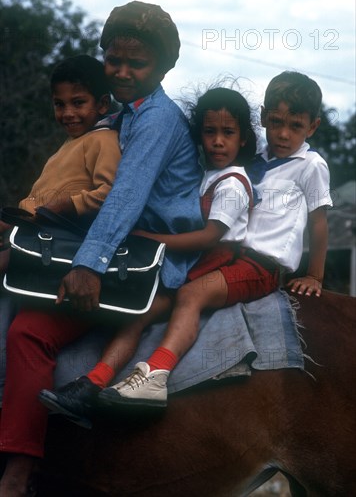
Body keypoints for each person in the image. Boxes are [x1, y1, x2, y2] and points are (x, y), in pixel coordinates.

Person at [0, 0, 203, 497]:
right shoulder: (124, 114)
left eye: (137, 64)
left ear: (166, 67)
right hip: (121, 242)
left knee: (30, 330)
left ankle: (19, 470)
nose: (123, 72)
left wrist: (88, 265)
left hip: (141, 258)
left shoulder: (156, 120)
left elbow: (126, 197)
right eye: (114, 61)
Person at [94, 70, 333, 408]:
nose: (283, 133)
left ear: (312, 127)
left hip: (261, 263)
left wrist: (314, 275)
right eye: (276, 122)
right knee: (154, 299)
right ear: (263, 117)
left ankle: (157, 374)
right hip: (230, 256)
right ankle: (96, 378)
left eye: (295, 126)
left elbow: (318, 223)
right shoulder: (258, 158)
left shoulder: (311, 165)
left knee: (192, 294)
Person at [39, 86, 280, 415]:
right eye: (210, 132)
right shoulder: (207, 176)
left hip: (209, 262)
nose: (218, 142)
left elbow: (209, 237)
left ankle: (156, 374)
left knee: (187, 300)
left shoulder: (232, 183)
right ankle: (92, 383)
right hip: (190, 263)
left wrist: (150, 240)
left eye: (228, 133)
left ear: (243, 139)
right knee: (137, 316)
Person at [0, 53, 123, 496]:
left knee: (27, 335)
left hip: (73, 264)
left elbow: (112, 195)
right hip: (39, 247)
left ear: (103, 104)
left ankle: (19, 466)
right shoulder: (64, 149)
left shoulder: (104, 141)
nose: (68, 113)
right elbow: (35, 202)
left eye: (79, 103)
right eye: (60, 104)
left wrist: (63, 208)